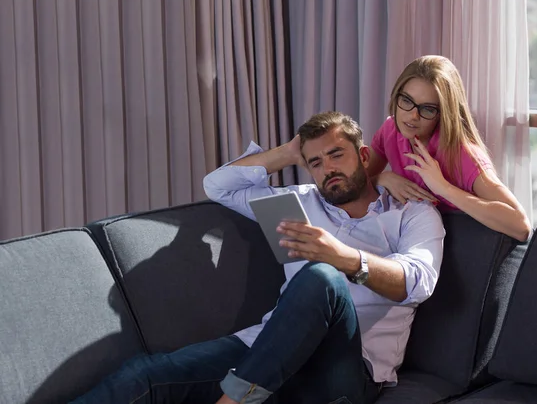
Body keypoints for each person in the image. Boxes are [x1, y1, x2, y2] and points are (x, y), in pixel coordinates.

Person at [71, 111, 445, 404]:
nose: (328, 169)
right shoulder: (296, 203)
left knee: (322, 278)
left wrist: (344, 258)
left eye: (336, 155)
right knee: (145, 376)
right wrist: (287, 152)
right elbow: (217, 185)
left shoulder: (410, 212)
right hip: (266, 350)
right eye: (315, 162)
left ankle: (236, 400)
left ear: (364, 156)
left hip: (345, 373)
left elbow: (418, 283)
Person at [368, 55, 531, 242]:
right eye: (406, 100)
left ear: (443, 114)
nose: (413, 116)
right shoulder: (391, 130)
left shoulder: (463, 155)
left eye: (427, 109)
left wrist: (444, 188)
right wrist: (382, 178)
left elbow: (521, 226)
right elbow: (354, 185)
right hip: (415, 239)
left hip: (465, 250)